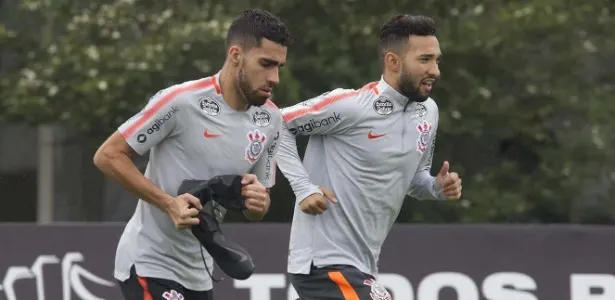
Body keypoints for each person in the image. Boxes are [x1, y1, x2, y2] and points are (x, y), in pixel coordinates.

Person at [93, 9, 292, 300]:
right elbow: (108, 156)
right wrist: (167, 203)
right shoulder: (181, 102)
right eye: (266, 64)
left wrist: (258, 203)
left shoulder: (272, 120)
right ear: (236, 55)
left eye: (279, 67)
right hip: (150, 262)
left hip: (199, 274)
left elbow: (257, 204)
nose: (274, 77)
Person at [276, 14, 462, 300]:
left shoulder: (429, 112)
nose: (435, 70)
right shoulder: (352, 106)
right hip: (322, 262)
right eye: (425, 59)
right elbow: (275, 124)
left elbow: (413, 180)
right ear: (393, 62)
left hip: (363, 265)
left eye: (437, 60)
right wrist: (303, 187)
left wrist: (437, 188)